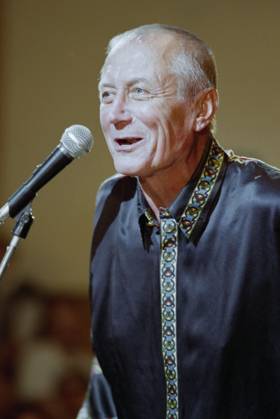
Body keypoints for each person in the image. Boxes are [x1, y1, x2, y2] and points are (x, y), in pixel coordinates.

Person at [77, 24, 280, 419]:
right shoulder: (112, 204)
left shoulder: (267, 208)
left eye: (139, 92)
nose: (116, 114)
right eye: (106, 94)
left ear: (202, 109)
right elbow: (106, 377)